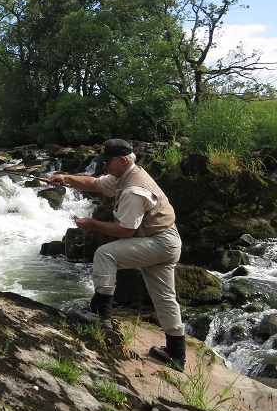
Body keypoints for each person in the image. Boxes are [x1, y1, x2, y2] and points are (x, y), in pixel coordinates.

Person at [47, 138, 186, 371]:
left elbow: (126, 231)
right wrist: (66, 178)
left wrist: (92, 224)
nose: (104, 166)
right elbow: (94, 184)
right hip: (166, 240)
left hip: (158, 242)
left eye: (107, 162)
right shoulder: (126, 174)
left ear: (122, 160)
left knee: (105, 255)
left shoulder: (133, 189)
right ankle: (176, 353)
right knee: (163, 297)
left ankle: (101, 316)